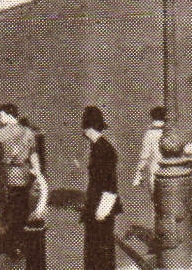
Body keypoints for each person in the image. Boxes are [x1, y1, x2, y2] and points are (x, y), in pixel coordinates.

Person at [0, 103, 42, 258]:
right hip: (24, 174)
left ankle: (10, 243)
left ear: (8, 116)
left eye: (1, 115)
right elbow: (33, 154)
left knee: (8, 209)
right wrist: (37, 172)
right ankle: (21, 241)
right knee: (22, 209)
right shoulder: (28, 132)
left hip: (7, 175)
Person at [80, 106, 121, 270]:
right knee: (99, 248)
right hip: (97, 205)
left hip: (101, 207)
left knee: (100, 248)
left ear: (88, 128)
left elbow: (109, 183)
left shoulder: (102, 149)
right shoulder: (100, 146)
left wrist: (102, 210)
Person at [133, 106, 166, 194]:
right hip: (174, 173)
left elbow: (145, 155)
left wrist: (138, 174)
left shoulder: (150, 133)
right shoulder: (171, 131)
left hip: (156, 172)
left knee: (158, 202)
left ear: (152, 118)